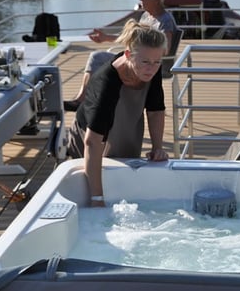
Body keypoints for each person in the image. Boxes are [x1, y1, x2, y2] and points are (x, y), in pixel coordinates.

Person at [67, 19, 169, 207]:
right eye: (145, 62)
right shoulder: (107, 83)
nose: (151, 68)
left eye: (157, 62)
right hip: (88, 135)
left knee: (125, 179)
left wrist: (157, 148)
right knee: (87, 193)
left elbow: (155, 110)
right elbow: (92, 141)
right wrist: (96, 198)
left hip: (127, 125)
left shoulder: (151, 66)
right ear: (129, 55)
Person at [64, 0, 177, 112]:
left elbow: (166, 49)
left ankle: (83, 101)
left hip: (149, 65)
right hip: (136, 60)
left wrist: (144, 53)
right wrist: (106, 38)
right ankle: (85, 99)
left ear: (156, 0)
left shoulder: (165, 20)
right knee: (98, 57)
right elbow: (131, 39)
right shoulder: (146, 16)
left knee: (98, 58)